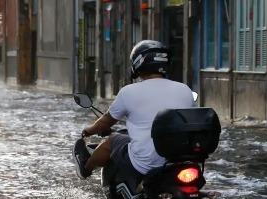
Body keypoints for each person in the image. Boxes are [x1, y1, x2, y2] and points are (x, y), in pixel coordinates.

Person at [74, 40, 194, 180]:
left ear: (138, 63)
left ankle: (86, 168)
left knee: (113, 140)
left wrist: (87, 131)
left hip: (144, 164)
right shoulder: (185, 90)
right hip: (177, 160)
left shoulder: (129, 92)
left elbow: (105, 122)